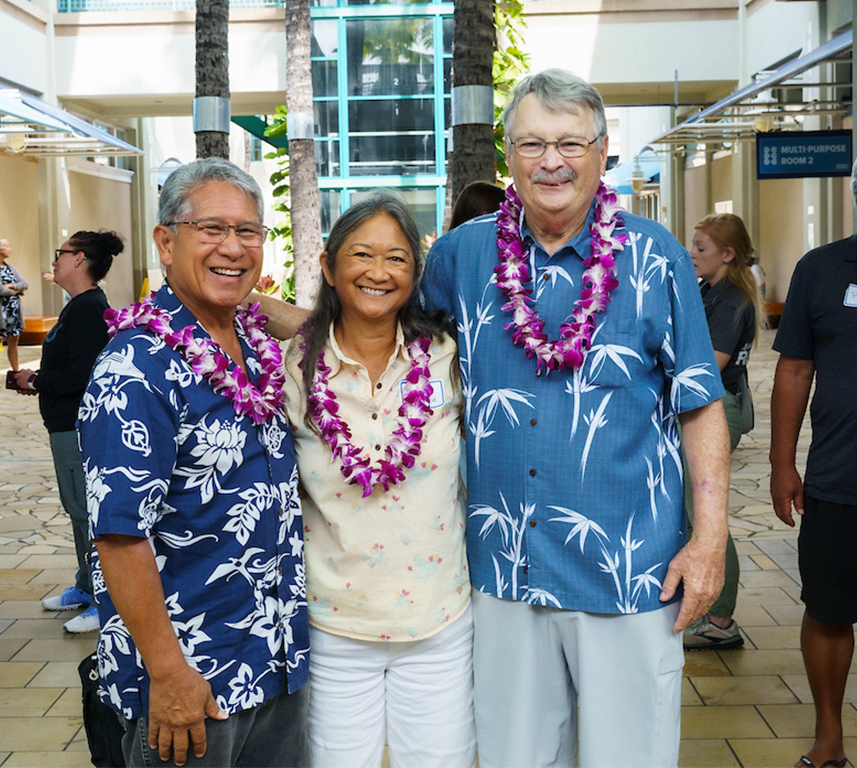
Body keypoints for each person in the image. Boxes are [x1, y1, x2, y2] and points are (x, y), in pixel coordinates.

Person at [419, 69, 729, 766]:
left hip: (629, 569)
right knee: (512, 758)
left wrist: (709, 541)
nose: (550, 161)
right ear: (509, 155)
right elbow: (379, 330)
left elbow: (701, 402)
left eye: (568, 143)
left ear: (601, 149)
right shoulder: (462, 255)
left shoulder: (656, 257)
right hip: (503, 570)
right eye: (531, 144)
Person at [78, 157, 309, 768]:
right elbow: (118, 536)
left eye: (248, 232)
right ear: (165, 240)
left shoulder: (255, 346)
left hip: (274, 657)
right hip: (193, 680)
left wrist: (263, 306)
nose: (232, 247)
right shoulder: (138, 367)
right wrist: (169, 673)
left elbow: (343, 337)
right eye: (211, 229)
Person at [282, 192, 474, 767]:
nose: (378, 271)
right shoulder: (291, 367)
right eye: (362, 255)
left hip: (439, 624)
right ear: (328, 267)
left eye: (397, 258)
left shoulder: (450, 358)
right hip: (334, 626)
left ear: (416, 274)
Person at [770, 158, 857, 768]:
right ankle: (830, 737)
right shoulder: (821, 269)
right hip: (840, 480)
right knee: (828, 610)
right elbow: (795, 369)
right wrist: (781, 462)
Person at [12, 230, 124, 635]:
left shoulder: (90, 309)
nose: (54, 260)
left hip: (77, 424)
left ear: (80, 259)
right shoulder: (79, 307)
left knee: (84, 512)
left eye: (60, 253)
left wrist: (37, 380)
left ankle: (104, 600)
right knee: (77, 510)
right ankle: (85, 584)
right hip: (63, 423)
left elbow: (82, 374)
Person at [683, 213, 762, 651]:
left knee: (706, 516)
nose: (692, 254)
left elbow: (707, 369)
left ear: (727, 254)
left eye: (700, 248)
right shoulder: (712, 291)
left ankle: (720, 620)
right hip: (708, 408)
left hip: (716, 410)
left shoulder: (731, 300)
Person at [0, 238, 27, 385]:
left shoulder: (11, 268)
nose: (10, 248)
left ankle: (16, 371)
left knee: (14, 342)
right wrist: (15, 289)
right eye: (6, 246)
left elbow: (24, 284)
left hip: (13, 312)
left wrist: (12, 286)